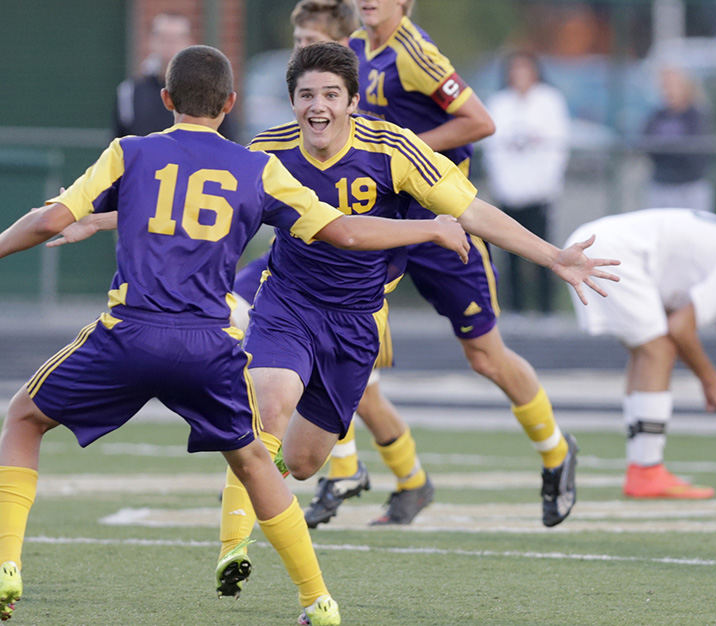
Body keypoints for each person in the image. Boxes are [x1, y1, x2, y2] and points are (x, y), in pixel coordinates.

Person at [0, 44, 472, 625]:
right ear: (230, 104)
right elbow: (345, 232)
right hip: (208, 344)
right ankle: (317, 600)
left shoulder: (130, 151)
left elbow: (51, 218)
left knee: (24, 418)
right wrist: (427, 229)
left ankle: (6, 564)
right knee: (254, 460)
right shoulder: (258, 168)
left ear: (167, 100)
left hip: (131, 333)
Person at [333, 0, 582, 529]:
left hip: (444, 221)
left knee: (486, 357)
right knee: (340, 332)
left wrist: (403, 152)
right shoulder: (354, 49)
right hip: (387, 221)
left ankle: (556, 451)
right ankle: (394, 475)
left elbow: (479, 120)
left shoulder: (416, 53)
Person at [232, 0, 438, 532]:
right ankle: (341, 474)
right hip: (299, 280)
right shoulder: (277, 144)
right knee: (275, 379)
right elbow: (204, 200)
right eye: (298, 43)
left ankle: (403, 476)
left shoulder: (384, 140)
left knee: (359, 391)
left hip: (363, 290)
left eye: (309, 43)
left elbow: (416, 208)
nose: (300, 53)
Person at [565, 209, 716, 499]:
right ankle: (645, 471)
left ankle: (642, 469)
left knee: (649, 351)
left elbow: (675, 322)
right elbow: (680, 327)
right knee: (659, 348)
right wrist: (711, 381)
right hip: (612, 251)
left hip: (601, 242)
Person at [484, 51, 570, 314]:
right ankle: (514, 308)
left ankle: (546, 310)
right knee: (508, 253)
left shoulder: (549, 101)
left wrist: (549, 184)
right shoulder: (499, 103)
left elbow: (559, 145)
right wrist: (502, 184)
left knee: (544, 250)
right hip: (509, 191)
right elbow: (492, 147)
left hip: (539, 192)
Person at [113, 13, 236, 140]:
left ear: (189, 41)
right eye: (163, 37)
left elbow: (228, 142)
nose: (169, 45)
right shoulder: (130, 92)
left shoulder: (211, 88)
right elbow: (119, 143)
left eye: (176, 38)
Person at [641, 65, 714, 213]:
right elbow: (646, 145)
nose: (668, 91)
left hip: (690, 187)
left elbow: (695, 151)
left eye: (673, 86)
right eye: (665, 86)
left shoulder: (696, 116)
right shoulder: (657, 116)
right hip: (661, 185)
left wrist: (665, 148)